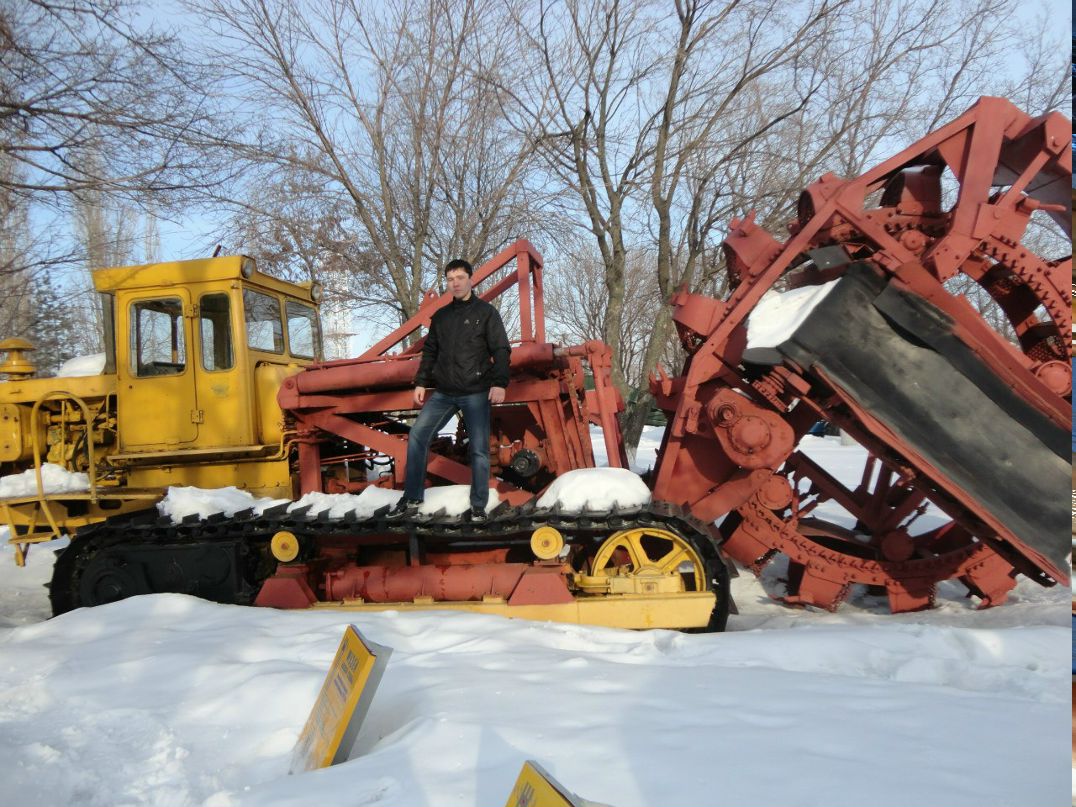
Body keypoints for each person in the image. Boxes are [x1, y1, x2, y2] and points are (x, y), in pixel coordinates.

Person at [388, 258, 510, 522]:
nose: (455, 283)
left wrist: (500, 383)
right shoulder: (441, 317)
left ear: (470, 280)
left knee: (478, 449)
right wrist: (421, 382)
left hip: (475, 391)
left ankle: (478, 505)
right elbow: (430, 352)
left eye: (460, 278)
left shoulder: (486, 313)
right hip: (444, 392)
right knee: (418, 435)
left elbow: (501, 349)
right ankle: (412, 497)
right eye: (450, 279)